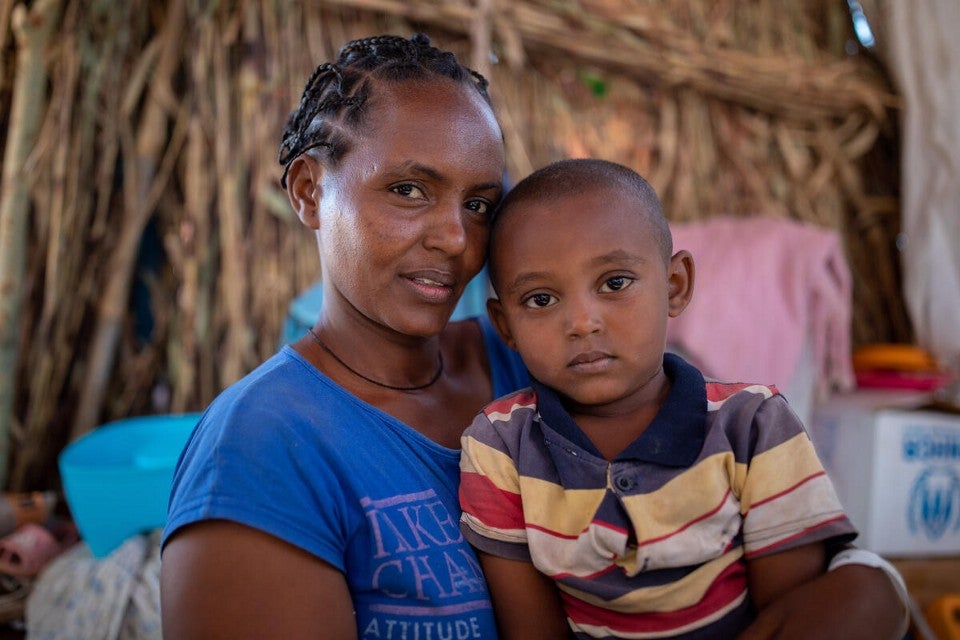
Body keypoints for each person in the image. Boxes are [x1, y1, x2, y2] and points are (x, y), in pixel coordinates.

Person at [159, 33, 909, 640]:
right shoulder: (261, 452)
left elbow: (744, 480)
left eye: (481, 203)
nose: (455, 238)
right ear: (309, 191)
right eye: (409, 190)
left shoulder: (546, 355)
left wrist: (870, 581)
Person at [459, 158, 908, 640]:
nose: (582, 322)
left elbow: (785, 613)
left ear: (675, 286)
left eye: (615, 283)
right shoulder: (499, 447)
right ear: (505, 325)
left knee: (867, 590)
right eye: (541, 300)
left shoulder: (752, 425)